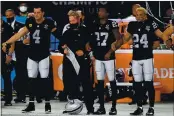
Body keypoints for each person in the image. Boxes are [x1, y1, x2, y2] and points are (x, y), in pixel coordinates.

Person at [2, 6, 60, 113]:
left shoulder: (49, 22)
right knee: (31, 80)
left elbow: (59, 34)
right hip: (32, 55)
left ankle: (47, 104)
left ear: (43, 13)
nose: (36, 14)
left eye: (38, 12)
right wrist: (7, 42)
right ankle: (31, 104)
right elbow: (20, 34)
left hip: (44, 55)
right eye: (35, 12)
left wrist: (67, 44)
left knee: (44, 80)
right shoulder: (30, 22)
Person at [111, 7, 166, 115]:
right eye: (137, 14)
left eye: (141, 14)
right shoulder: (132, 25)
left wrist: (166, 39)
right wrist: (116, 44)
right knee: (137, 84)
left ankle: (151, 108)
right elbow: (126, 38)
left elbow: (159, 37)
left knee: (149, 83)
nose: (139, 16)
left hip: (147, 58)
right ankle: (139, 107)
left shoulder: (151, 23)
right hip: (136, 58)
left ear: (145, 15)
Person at [88, 7, 121, 115]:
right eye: (99, 11)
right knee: (100, 82)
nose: (99, 13)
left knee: (112, 80)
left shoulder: (112, 24)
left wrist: (110, 52)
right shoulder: (95, 23)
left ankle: (114, 107)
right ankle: (101, 107)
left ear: (107, 13)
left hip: (108, 57)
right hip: (98, 56)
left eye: (102, 11)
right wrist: (88, 44)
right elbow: (91, 38)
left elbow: (119, 39)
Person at [61, 10, 94, 115]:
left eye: (73, 19)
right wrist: (63, 49)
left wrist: (84, 51)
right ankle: (72, 107)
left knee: (86, 85)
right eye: (70, 20)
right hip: (69, 61)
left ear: (79, 19)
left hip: (82, 61)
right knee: (70, 85)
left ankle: (90, 108)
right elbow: (61, 44)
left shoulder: (86, 30)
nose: (71, 22)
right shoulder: (67, 32)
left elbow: (91, 44)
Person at [5, 9, 28, 103]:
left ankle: (21, 96)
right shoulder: (4, 27)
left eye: (10, 16)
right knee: (6, 75)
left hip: (19, 55)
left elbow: (25, 42)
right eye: (6, 16)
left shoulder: (21, 27)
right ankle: (7, 96)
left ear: (14, 15)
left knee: (20, 76)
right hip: (5, 55)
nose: (8, 18)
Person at [1, 17, 14, 106]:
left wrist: (9, 55)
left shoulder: (8, 27)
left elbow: (13, 42)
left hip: (4, 55)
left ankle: (8, 99)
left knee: (6, 77)